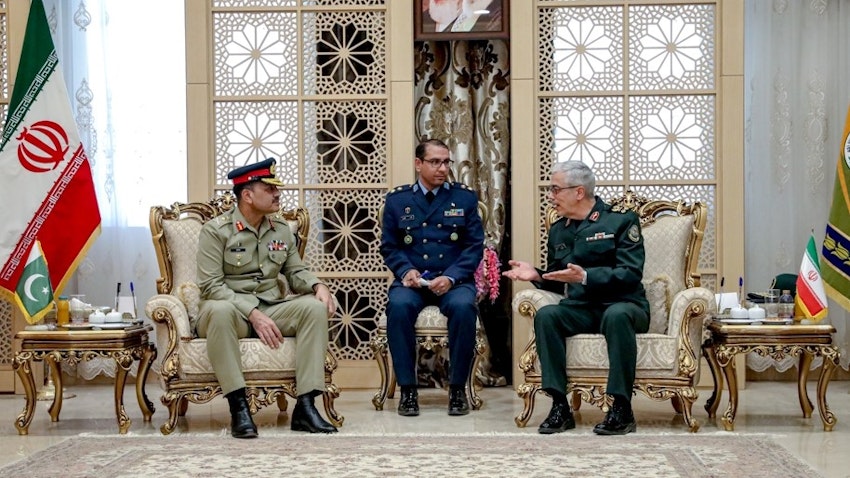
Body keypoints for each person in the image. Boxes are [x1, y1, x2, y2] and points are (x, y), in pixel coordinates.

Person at [502, 161, 650, 435]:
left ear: (579, 192)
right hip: (582, 308)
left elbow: (631, 273)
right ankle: (560, 405)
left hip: (625, 306)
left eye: (556, 189)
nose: (550, 196)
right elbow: (562, 283)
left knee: (616, 315)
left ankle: (621, 408)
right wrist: (537, 275)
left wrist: (586, 277)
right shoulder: (559, 229)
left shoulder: (620, 220)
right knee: (548, 315)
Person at [196, 158, 338, 437]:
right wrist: (251, 312)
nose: (277, 194)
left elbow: (295, 271)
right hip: (231, 311)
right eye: (269, 189)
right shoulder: (216, 230)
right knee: (220, 310)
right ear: (247, 195)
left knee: (313, 309)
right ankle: (239, 408)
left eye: (277, 189)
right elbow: (211, 286)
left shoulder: (281, 228)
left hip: (271, 307)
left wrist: (318, 286)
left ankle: (306, 407)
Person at [380, 139, 484, 417]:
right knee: (399, 307)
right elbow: (389, 246)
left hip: (453, 281)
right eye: (435, 162)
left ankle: (458, 390)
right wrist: (405, 271)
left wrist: (450, 277)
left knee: (464, 307)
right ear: (418, 164)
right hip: (413, 282)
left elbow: (474, 247)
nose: (442, 168)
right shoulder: (398, 200)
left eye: (446, 162)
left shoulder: (464, 198)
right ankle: (408, 391)